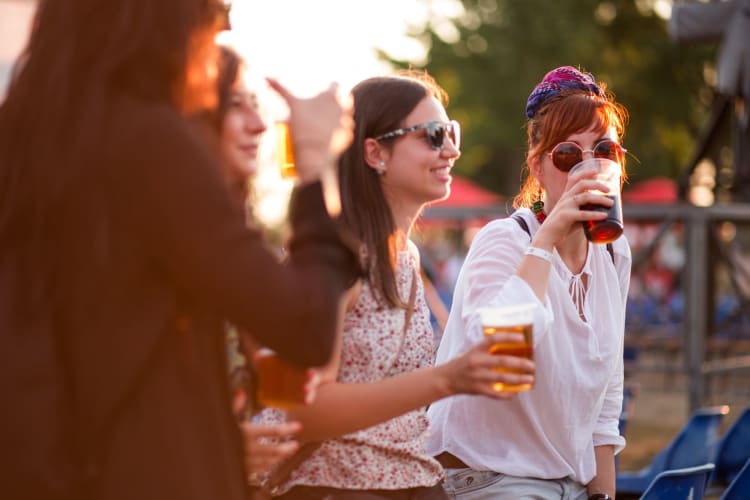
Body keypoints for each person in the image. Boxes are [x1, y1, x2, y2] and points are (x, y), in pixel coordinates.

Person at [0, 1, 361, 499]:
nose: (226, 24)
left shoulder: (29, 139)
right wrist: (318, 162)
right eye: (216, 8)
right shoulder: (148, 140)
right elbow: (304, 327)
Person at [255, 71, 535, 499]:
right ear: (374, 152)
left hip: (413, 481)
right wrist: (448, 379)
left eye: (452, 132)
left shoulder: (405, 257)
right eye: (435, 135)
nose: (453, 151)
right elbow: (304, 411)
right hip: (334, 484)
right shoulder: (336, 256)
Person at [424, 66, 632, 500]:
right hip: (486, 478)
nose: (589, 165)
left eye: (604, 150)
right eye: (568, 155)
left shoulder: (614, 252)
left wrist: (602, 495)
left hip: (567, 485)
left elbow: (607, 396)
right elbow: (501, 354)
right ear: (538, 167)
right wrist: (549, 236)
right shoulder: (502, 241)